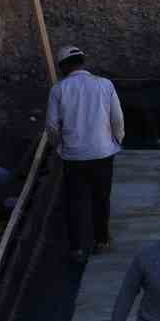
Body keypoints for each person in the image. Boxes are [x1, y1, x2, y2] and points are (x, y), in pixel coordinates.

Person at [45, 45, 124, 261]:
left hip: (73, 157)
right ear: (82, 62)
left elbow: (52, 126)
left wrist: (59, 147)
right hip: (103, 154)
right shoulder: (105, 84)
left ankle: (76, 248)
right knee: (101, 199)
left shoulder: (58, 90)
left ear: (63, 67)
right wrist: (117, 141)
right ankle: (101, 241)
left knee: (74, 202)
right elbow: (117, 119)